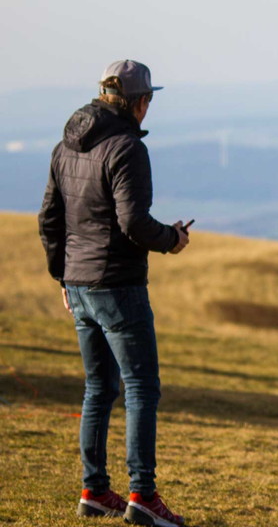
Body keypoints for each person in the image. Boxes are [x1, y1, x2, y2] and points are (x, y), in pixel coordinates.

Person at [38, 60, 189, 526]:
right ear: (139, 102)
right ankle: (142, 496)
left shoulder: (66, 145)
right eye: (149, 100)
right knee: (141, 386)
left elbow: (49, 218)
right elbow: (133, 224)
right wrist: (172, 239)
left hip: (80, 285)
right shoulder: (127, 147)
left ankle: (95, 490)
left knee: (98, 388)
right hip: (118, 285)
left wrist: (64, 278)